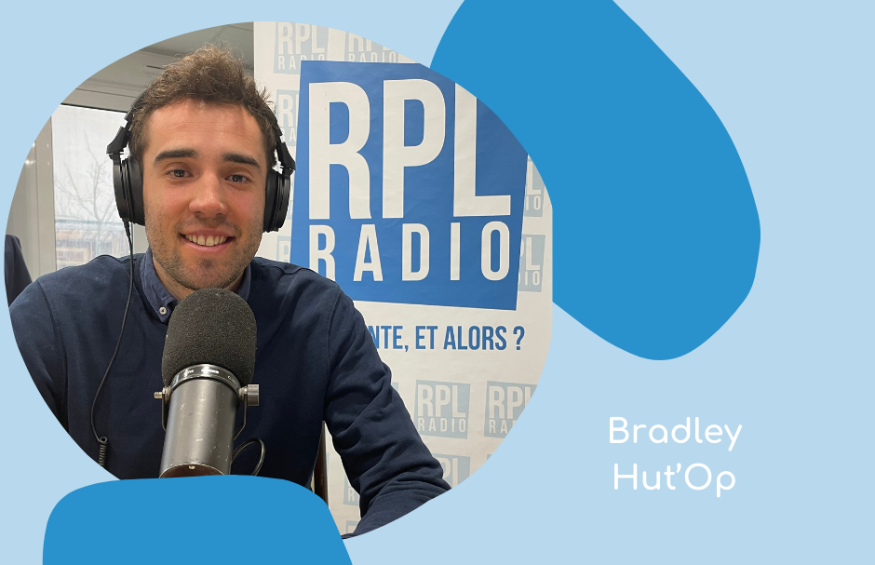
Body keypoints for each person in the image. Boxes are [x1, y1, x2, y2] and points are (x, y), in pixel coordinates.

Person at [10, 45, 449, 536]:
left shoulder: (318, 316)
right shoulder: (52, 318)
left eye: (238, 176)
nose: (210, 202)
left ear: (272, 199)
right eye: (179, 171)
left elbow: (412, 485)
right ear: (133, 189)